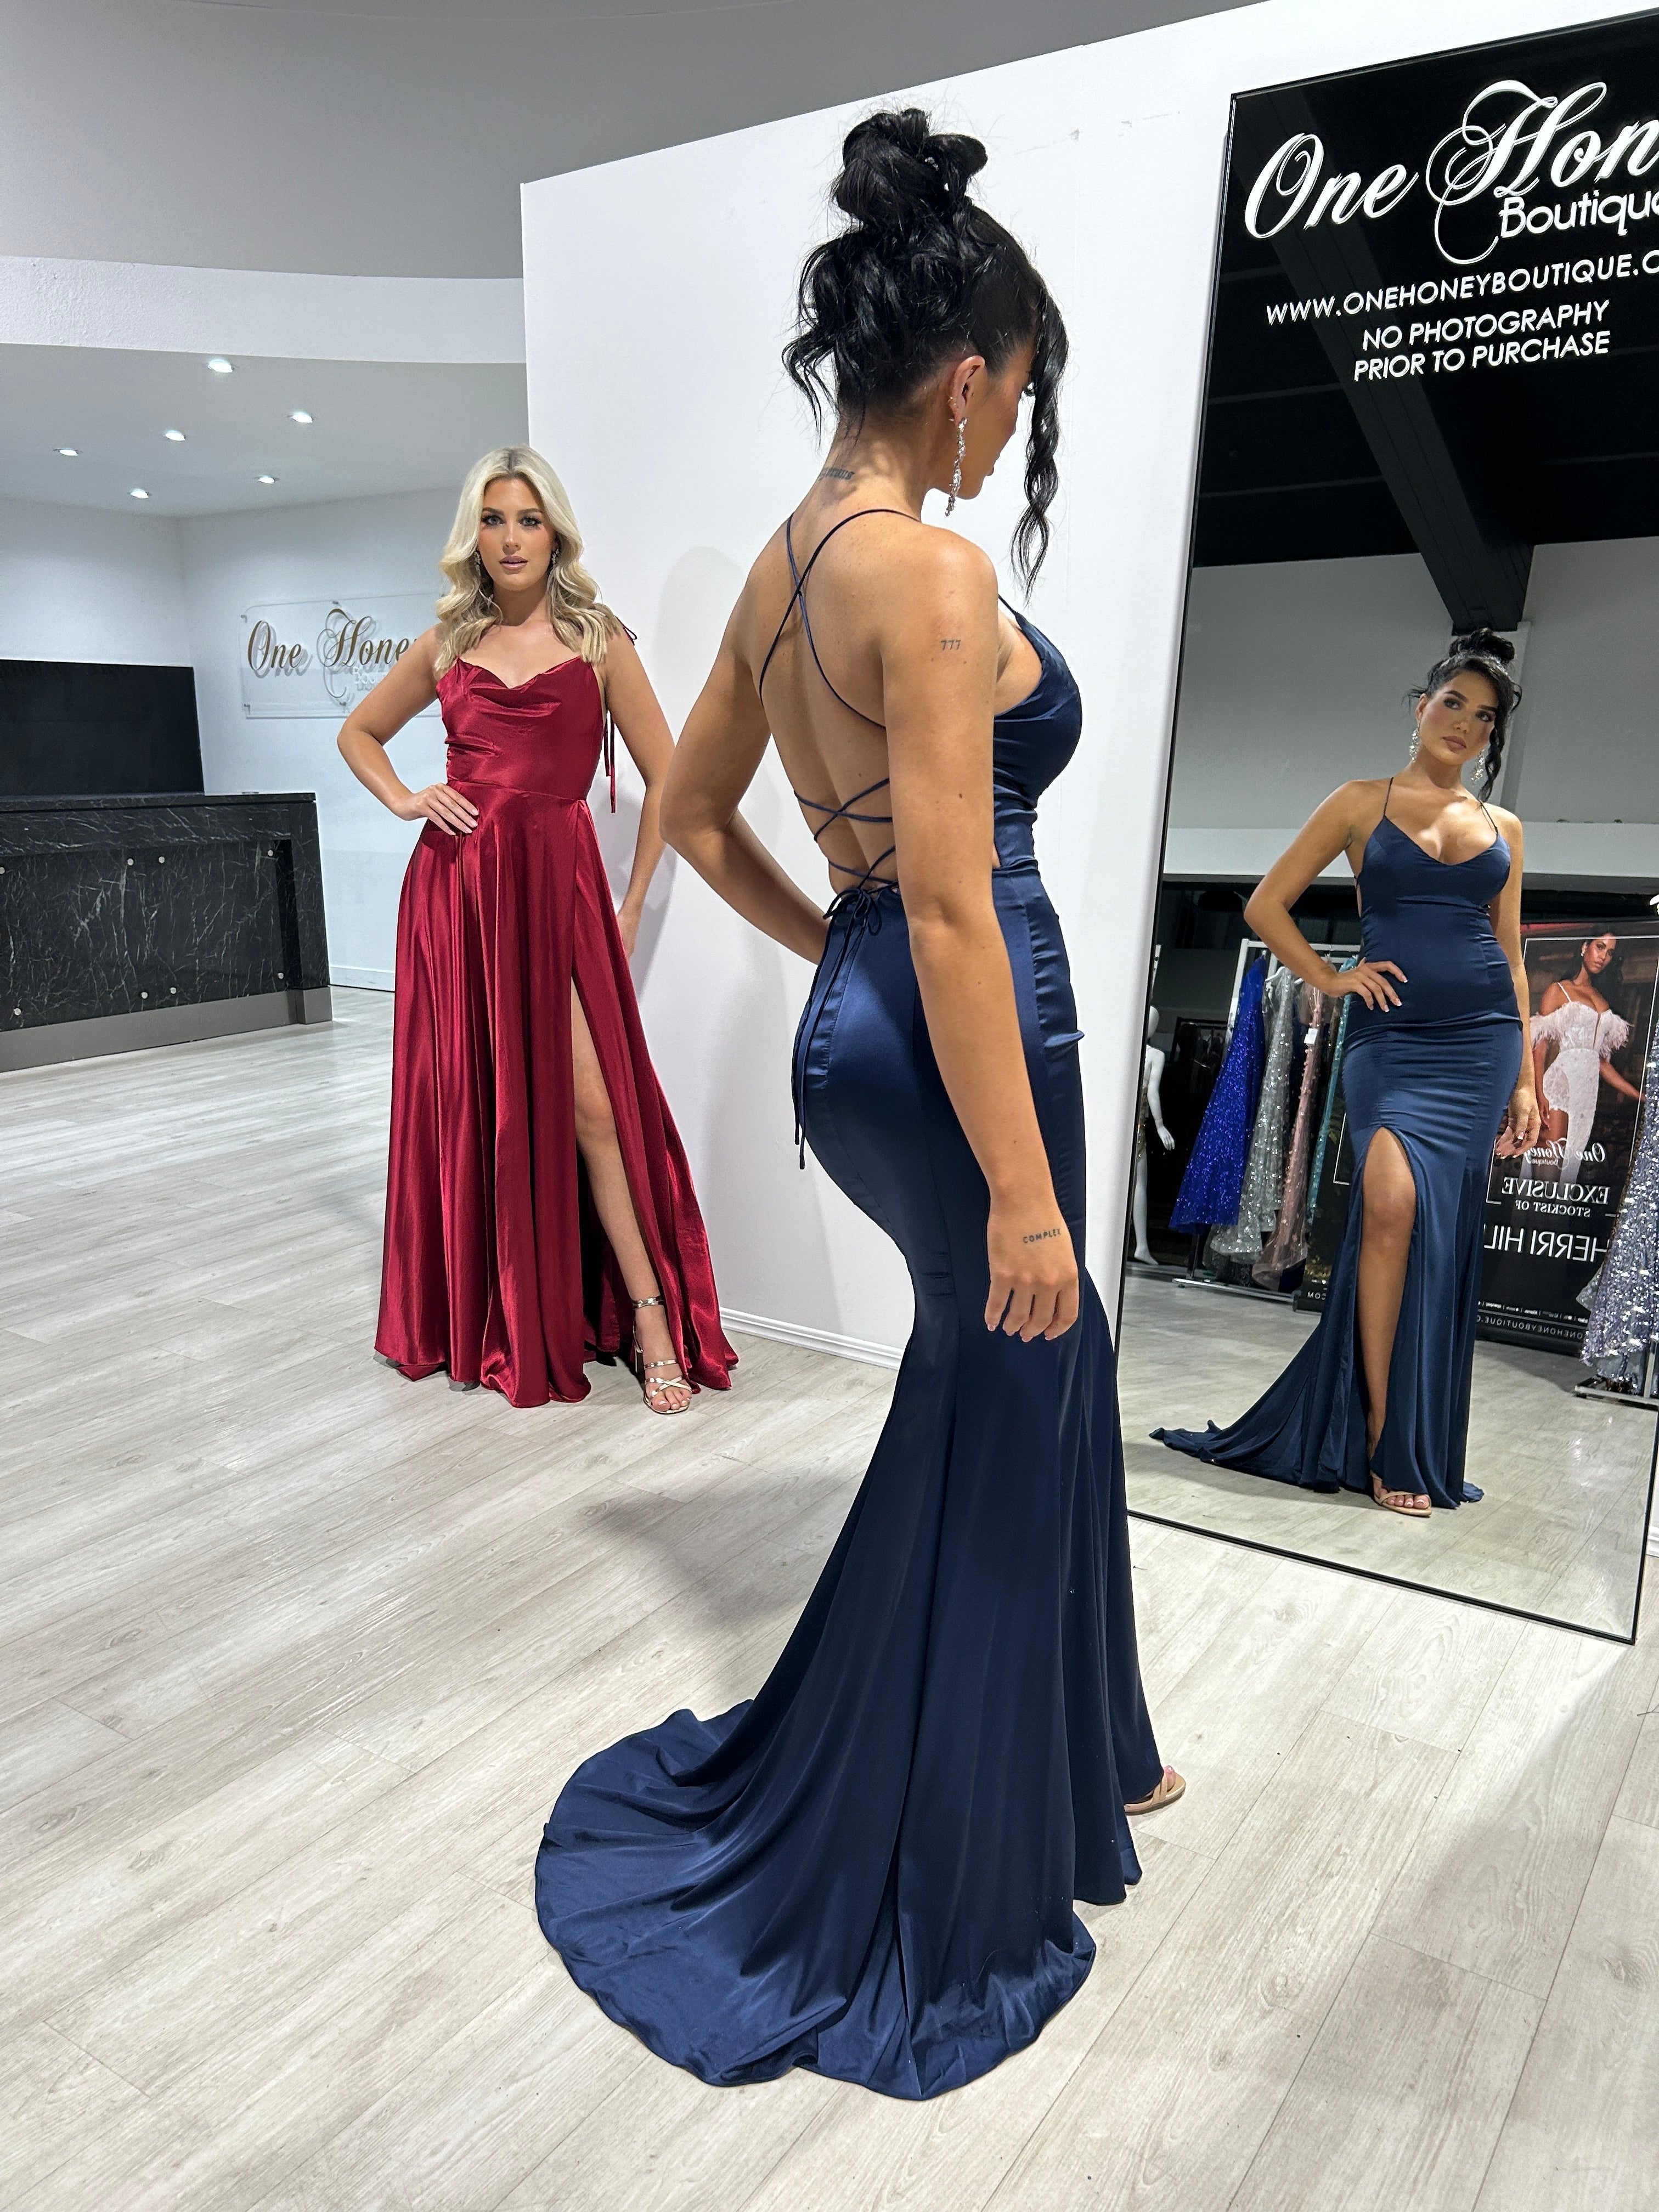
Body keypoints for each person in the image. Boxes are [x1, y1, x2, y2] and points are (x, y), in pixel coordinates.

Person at [533, 109, 1179, 2101]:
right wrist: (1014, 1189)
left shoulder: (778, 568)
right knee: (1010, 1370)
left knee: (1023, 1387)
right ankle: (949, 1835)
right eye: (1011, 409)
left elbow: (704, 818)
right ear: (965, 376)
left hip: (869, 1017)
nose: (1002, 445)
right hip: (978, 1035)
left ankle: (1090, 1751)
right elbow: (971, 914)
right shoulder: (923, 567)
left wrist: (840, 945)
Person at [337, 445, 736, 1412]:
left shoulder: (599, 640)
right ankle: (489, 1307)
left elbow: (671, 785)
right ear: (472, 534)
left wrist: (631, 898)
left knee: (593, 1110)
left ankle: (646, 1311)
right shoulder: (443, 644)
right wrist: (404, 798)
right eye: (492, 519)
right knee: (476, 1105)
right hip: (458, 898)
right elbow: (358, 733)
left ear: (553, 529)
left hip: (555, 895)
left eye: (526, 518)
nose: (510, 538)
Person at [1156, 633, 1540, 1516]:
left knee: (1437, 1236)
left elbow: (1513, 961)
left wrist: (1522, 1079)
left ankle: (1411, 1429)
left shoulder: (1503, 829)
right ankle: (1378, 1432)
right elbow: (1264, 904)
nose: (1465, 725)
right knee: (1391, 1206)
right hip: (1392, 1041)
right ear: (1421, 704)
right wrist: (1329, 979)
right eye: (1454, 704)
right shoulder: (1360, 803)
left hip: (1480, 1040)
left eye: (1484, 719)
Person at [1530, 934, 1639, 1186]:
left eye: (1610, 952)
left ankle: (1555, 1226)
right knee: (1548, 1172)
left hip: (1586, 1096)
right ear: (1584, 947)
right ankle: (1536, 1223)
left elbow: (1601, 1064)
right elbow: (1540, 1049)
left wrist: (1639, 1095)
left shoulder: (1603, 1000)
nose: (1603, 956)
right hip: (1558, 1086)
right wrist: (1540, 1095)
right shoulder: (1559, 991)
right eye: (1600, 947)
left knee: (1569, 1172)